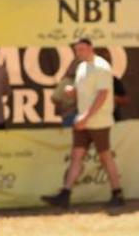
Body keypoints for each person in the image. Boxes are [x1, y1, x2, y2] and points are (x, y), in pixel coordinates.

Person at [41, 37, 125, 208]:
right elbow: (86, 92)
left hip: (98, 122)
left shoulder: (102, 67)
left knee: (105, 157)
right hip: (83, 122)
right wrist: (74, 92)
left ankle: (117, 193)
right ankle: (65, 194)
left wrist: (85, 117)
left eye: (81, 49)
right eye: (76, 50)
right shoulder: (81, 67)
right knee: (76, 157)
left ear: (90, 48)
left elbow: (102, 96)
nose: (78, 53)